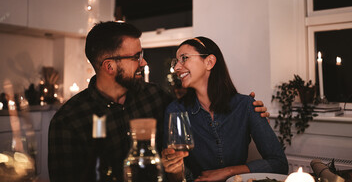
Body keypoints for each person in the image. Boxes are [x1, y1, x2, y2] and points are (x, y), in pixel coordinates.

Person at [48, 22, 269, 182]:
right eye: (136, 57)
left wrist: (247, 109)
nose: (143, 62)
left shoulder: (154, 96)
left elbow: (195, 110)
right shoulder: (69, 121)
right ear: (109, 66)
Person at [162, 37, 288, 182]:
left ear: (209, 62)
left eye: (184, 58)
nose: (176, 68)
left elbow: (279, 163)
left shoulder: (246, 106)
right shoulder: (175, 111)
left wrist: (228, 172)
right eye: (176, 61)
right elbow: (176, 176)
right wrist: (174, 171)